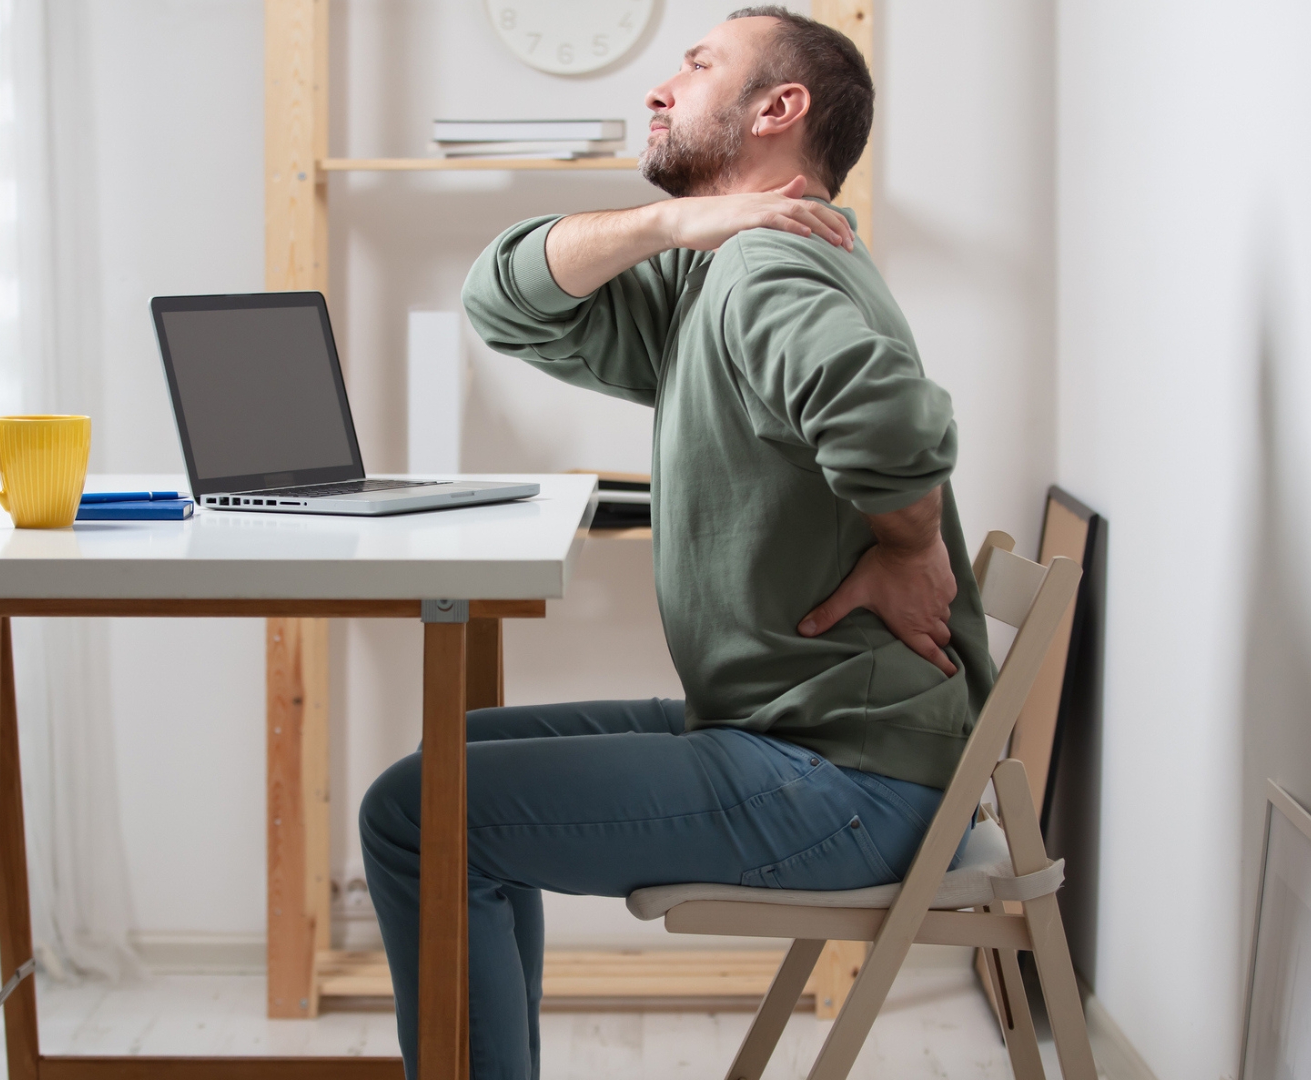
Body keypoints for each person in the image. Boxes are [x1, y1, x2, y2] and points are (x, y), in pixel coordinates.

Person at [359, 8, 994, 1079]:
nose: (662, 88)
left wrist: (910, 536)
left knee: (422, 814)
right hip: (805, 734)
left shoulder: (767, 273)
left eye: (698, 66)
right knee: (437, 780)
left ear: (776, 110)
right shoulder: (715, 268)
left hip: (842, 778)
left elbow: (891, 422)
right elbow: (504, 298)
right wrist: (664, 230)